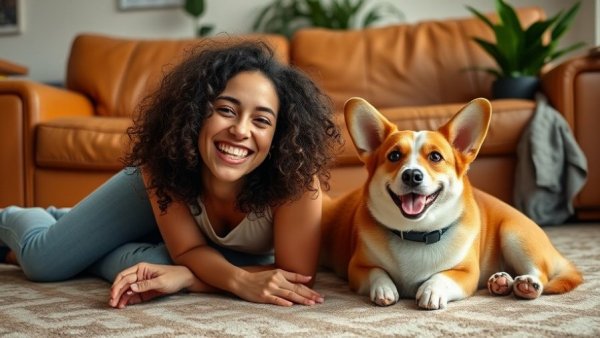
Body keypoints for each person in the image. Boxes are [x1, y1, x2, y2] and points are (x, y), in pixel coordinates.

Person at [0, 40, 342, 308]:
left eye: (261, 120)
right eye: (225, 110)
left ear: (280, 134)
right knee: (43, 263)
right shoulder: (166, 159)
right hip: (157, 201)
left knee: (153, 266)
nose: (240, 130)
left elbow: (296, 277)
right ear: (196, 113)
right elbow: (190, 250)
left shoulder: (294, 179)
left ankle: (84, 239)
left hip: (182, 247)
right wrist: (237, 281)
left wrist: (184, 278)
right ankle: (23, 217)